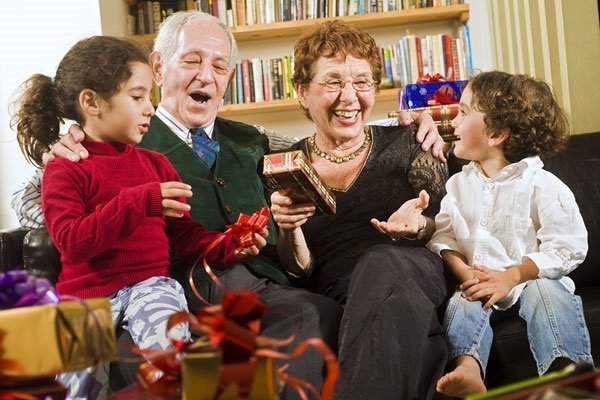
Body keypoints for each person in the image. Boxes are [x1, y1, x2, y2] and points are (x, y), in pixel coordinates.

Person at [9, 11, 444, 398]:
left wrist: (418, 120)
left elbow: (334, 139)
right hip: (176, 286)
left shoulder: (253, 141)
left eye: (219, 66)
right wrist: (58, 149)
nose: (207, 76)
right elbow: (35, 204)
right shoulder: (112, 143)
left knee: (317, 317)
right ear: (159, 68)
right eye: (193, 60)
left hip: (264, 285)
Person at [10, 36, 267, 399]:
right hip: (83, 297)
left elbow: (185, 235)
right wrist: (140, 201)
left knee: (175, 363)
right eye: (137, 97)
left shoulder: (156, 165)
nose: (150, 108)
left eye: (149, 96)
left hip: (150, 284)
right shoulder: (66, 169)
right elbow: (72, 240)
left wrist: (229, 244)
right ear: (91, 102)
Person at [269, 21, 448, 400]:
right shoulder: (283, 166)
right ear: (302, 92)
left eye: (362, 82)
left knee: (382, 260)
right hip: (341, 298)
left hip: (412, 274)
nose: (349, 97)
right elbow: (298, 269)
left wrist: (419, 226)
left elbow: (447, 228)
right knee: (416, 342)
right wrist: (288, 229)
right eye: (333, 82)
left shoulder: (410, 142)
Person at [427, 71, 594, 398]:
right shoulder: (459, 185)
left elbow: (568, 247)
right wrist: (467, 274)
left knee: (545, 293)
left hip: (529, 281)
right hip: (480, 284)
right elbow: (444, 236)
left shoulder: (541, 184)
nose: (453, 122)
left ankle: (566, 372)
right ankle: (468, 369)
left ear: (497, 133)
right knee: (463, 300)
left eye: (462, 112)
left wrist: (514, 276)